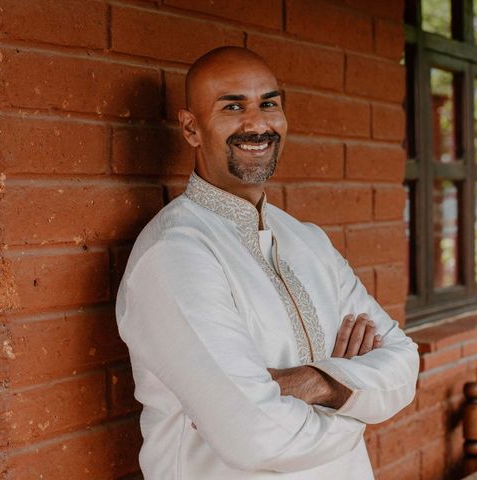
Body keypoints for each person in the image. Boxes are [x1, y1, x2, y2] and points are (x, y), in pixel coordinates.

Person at [115, 46, 419, 479]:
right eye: (232, 106)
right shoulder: (175, 255)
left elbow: (403, 364)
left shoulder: (307, 241)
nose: (257, 124)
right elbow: (255, 436)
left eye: (269, 104)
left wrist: (315, 381)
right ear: (191, 128)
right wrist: (356, 403)